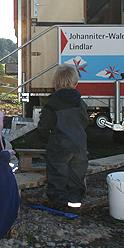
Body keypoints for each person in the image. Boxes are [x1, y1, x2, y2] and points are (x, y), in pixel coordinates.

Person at [37, 64, 89, 214]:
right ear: (76, 84)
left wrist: (48, 137)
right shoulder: (81, 103)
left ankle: (58, 203)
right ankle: (75, 204)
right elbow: (85, 122)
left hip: (59, 146)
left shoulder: (51, 104)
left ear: (54, 84)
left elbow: (44, 126)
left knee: (57, 174)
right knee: (77, 175)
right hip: (79, 146)